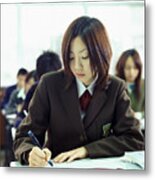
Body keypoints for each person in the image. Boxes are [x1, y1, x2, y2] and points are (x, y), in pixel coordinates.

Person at [13, 16, 144, 167]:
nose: (77, 66)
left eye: (85, 57)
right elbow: (24, 136)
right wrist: (30, 153)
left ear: (102, 54)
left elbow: (134, 139)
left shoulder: (115, 87)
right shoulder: (50, 84)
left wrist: (87, 150)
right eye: (70, 57)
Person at [15, 51, 62, 126]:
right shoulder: (34, 89)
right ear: (38, 77)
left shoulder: (66, 90)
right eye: (44, 81)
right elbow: (20, 118)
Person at [115, 49, 144, 119]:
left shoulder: (145, 85)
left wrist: (138, 115)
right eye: (128, 68)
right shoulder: (115, 84)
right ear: (121, 68)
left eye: (135, 68)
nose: (131, 72)